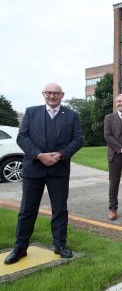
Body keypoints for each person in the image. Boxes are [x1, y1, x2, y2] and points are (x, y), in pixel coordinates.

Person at [4, 83, 83, 264]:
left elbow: (78, 140)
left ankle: (60, 244)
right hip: (34, 168)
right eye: (49, 93)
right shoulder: (31, 112)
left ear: (62, 95)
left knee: (60, 210)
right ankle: (20, 247)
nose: (52, 96)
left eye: (56, 93)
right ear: (43, 94)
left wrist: (61, 154)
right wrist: (39, 155)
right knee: (27, 210)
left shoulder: (71, 115)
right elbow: (22, 137)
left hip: (59, 169)